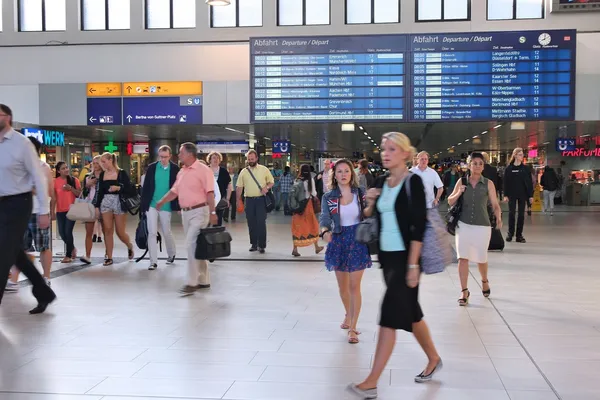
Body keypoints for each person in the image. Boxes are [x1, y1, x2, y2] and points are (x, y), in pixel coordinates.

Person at [349, 132, 442, 399]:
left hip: (407, 260)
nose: (385, 153)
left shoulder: (413, 183)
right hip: (387, 258)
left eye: (391, 149)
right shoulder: (380, 180)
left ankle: (371, 381)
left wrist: (413, 266)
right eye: (383, 149)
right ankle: (433, 358)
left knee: (388, 316)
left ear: (404, 153)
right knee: (412, 313)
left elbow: (418, 227)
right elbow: (370, 216)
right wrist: (370, 202)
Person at [0, 103, 57, 314]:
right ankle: (44, 293)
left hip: (18, 203)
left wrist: (44, 210)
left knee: (4, 252)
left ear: (8, 118)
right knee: (14, 253)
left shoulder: (22, 144)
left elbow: (38, 178)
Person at [320, 159, 371, 345]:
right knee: (343, 288)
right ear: (335, 175)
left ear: (352, 174)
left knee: (354, 287)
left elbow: (368, 213)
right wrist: (324, 231)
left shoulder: (360, 194)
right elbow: (324, 218)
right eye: (340, 171)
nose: (343, 174)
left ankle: (353, 328)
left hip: (357, 240)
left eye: (347, 171)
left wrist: (373, 203)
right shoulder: (329, 197)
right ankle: (349, 314)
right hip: (339, 240)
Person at [156, 142, 217, 295]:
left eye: (181, 153)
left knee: (190, 244)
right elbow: (174, 191)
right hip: (186, 213)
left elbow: (210, 193)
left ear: (190, 154)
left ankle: (192, 282)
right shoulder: (182, 171)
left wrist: (213, 212)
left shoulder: (204, 170)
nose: (179, 155)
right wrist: (162, 201)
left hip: (200, 211)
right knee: (197, 245)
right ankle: (204, 280)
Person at [448, 153, 502, 306]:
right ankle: (464, 291)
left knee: (481, 258)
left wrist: (498, 217)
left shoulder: (488, 184)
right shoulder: (461, 181)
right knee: (462, 258)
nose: (477, 166)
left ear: (483, 166)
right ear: (469, 165)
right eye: (474, 163)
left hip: (482, 225)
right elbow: (450, 201)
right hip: (463, 225)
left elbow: (495, 204)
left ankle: (484, 280)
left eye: (480, 163)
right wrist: (459, 192)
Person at [6, 137, 55, 292]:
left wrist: (49, 211)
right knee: (19, 247)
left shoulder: (43, 167)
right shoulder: (19, 167)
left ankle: (46, 277)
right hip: (21, 212)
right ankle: (14, 280)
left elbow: (49, 191)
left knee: (43, 246)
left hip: (39, 212)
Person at [140, 145, 180, 271]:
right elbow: (146, 187)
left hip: (166, 205)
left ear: (170, 156)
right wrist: (143, 205)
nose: (163, 159)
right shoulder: (152, 167)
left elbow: (177, 188)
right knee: (151, 232)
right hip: (152, 204)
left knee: (166, 231)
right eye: (161, 157)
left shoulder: (175, 169)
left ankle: (171, 253)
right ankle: (153, 261)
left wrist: (178, 205)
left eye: (165, 157)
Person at [93, 152, 136, 266]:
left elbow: (130, 189)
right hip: (105, 202)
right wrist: (97, 206)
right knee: (107, 230)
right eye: (101, 162)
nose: (102, 164)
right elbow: (99, 192)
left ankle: (129, 245)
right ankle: (109, 257)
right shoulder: (102, 175)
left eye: (104, 161)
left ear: (111, 160)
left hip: (119, 202)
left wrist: (119, 187)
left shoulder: (121, 173)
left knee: (120, 232)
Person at [236, 150, 274, 254]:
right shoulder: (243, 172)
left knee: (261, 222)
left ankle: (261, 245)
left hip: (261, 200)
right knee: (251, 223)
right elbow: (239, 187)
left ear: (256, 158)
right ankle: (254, 244)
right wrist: (238, 200)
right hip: (249, 200)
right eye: (249, 159)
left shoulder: (264, 170)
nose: (250, 161)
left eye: (252, 159)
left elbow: (271, 182)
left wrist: (266, 188)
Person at [288, 165, 324, 257]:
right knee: (313, 225)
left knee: (297, 227)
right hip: (307, 206)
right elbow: (314, 193)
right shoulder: (310, 180)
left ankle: (295, 249)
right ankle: (316, 247)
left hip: (297, 207)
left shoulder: (297, 180)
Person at [503, 148, 533, 243]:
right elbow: (506, 182)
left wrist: (530, 196)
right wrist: (505, 194)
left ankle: (519, 235)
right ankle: (510, 233)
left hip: (522, 194)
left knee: (521, 215)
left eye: (522, 154)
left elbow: (529, 183)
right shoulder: (509, 169)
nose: (522, 156)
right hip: (512, 194)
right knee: (511, 213)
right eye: (520, 154)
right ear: (515, 155)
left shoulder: (525, 169)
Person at [54, 161, 82, 263]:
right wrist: (52, 211)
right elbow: (53, 198)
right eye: (63, 168)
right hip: (60, 210)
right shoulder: (55, 182)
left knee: (68, 232)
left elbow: (79, 194)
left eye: (66, 167)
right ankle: (72, 248)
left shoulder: (74, 180)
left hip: (72, 209)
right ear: (58, 171)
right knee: (62, 233)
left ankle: (68, 255)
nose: (66, 170)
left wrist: (71, 188)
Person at [80, 155, 103, 264]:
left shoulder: (106, 175)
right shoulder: (88, 176)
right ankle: (88, 255)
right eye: (94, 163)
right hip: (90, 205)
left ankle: (108, 255)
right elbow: (84, 193)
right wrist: (87, 185)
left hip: (104, 205)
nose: (96, 165)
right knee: (88, 232)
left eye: (98, 163)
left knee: (107, 231)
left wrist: (98, 182)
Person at [208, 151, 232, 226]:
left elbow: (229, 185)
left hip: (220, 200)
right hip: (207, 200)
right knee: (207, 222)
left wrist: (227, 199)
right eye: (214, 158)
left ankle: (216, 235)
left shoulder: (224, 171)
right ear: (210, 160)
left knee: (218, 221)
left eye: (217, 158)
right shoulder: (205, 170)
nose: (215, 159)